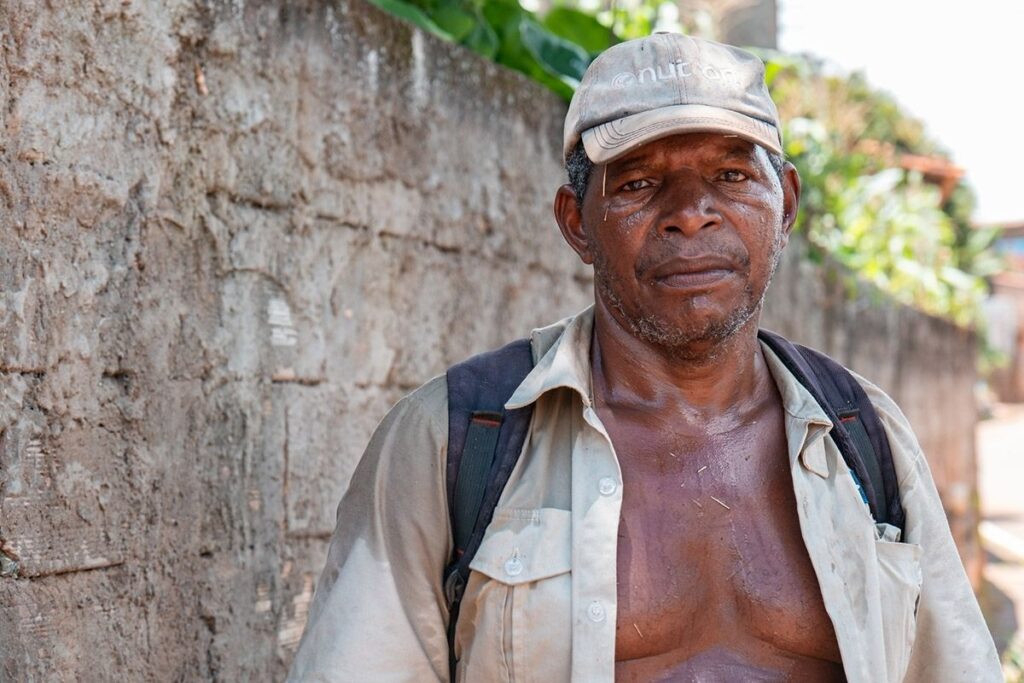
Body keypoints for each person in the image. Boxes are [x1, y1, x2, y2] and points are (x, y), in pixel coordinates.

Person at [287, 33, 1001, 682]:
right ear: (577, 222)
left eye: (731, 175)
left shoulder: (864, 437)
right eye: (636, 183)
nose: (691, 211)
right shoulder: (453, 439)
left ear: (783, 205)